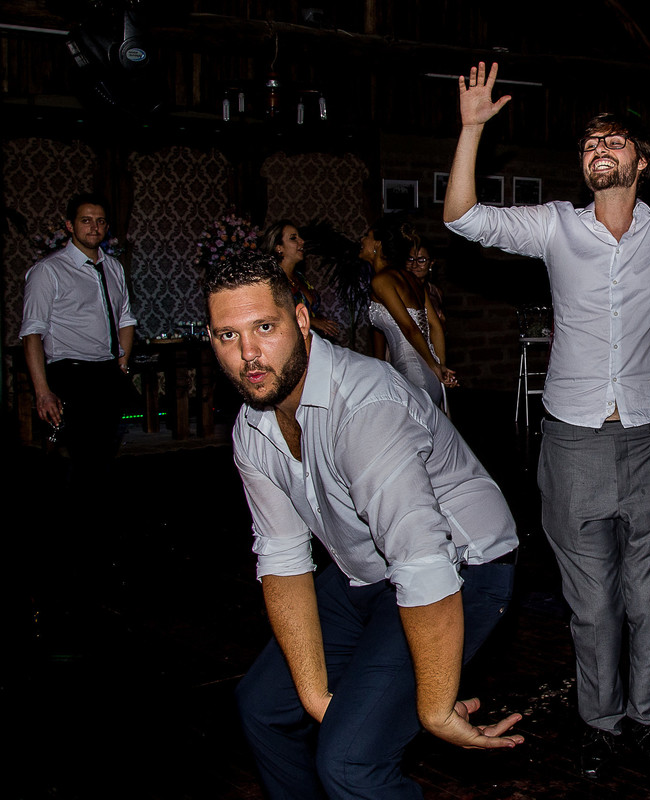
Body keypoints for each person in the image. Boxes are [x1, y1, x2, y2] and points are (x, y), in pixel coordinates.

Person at [445, 50, 650, 776]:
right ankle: (600, 723)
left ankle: (648, 717)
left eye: (615, 140)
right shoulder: (555, 228)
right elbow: (464, 218)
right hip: (573, 444)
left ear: (641, 162)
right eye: (589, 144)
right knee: (592, 603)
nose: (599, 148)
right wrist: (470, 130)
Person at [203, 252, 522, 799]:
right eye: (227, 335)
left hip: (464, 568)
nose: (248, 354)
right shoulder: (252, 427)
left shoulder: (364, 403)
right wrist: (314, 697)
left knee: (351, 764)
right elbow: (283, 558)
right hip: (368, 571)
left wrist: (435, 708)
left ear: (301, 320)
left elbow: (423, 564)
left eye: (264, 328)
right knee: (261, 708)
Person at [21, 192, 135, 483]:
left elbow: (125, 319)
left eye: (100, 221)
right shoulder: (48, 271)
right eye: (86, 220)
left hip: (107, 375)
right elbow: (32, 333)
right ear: (70, 226)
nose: (94, 227)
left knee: (105, 457)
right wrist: (43, 392)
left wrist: (122, 364)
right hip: (70, 374)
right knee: (84, 459)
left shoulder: (114, 267)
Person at [364, 216, 456, 411]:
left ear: (378, 245)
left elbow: (410, 328)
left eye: (367, 236)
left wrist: (436, 366)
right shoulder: (411, 279)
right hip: (425, 373)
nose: (362, 240)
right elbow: (435, 327)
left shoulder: (382, 281)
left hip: (412, 374)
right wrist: (439, 365)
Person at [260, 219, 340, 338]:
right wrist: (311, 321)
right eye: (293, 238)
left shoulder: (300, 277)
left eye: (300, 237)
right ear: (279, 247)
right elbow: (273, 316)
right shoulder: (271, 280)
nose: (302, 241)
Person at [406, 240, 446, 324]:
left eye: (421, 260)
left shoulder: (436, 292)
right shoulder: (399, 289)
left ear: (431, 263)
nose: (414, 265)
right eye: (410, 259)